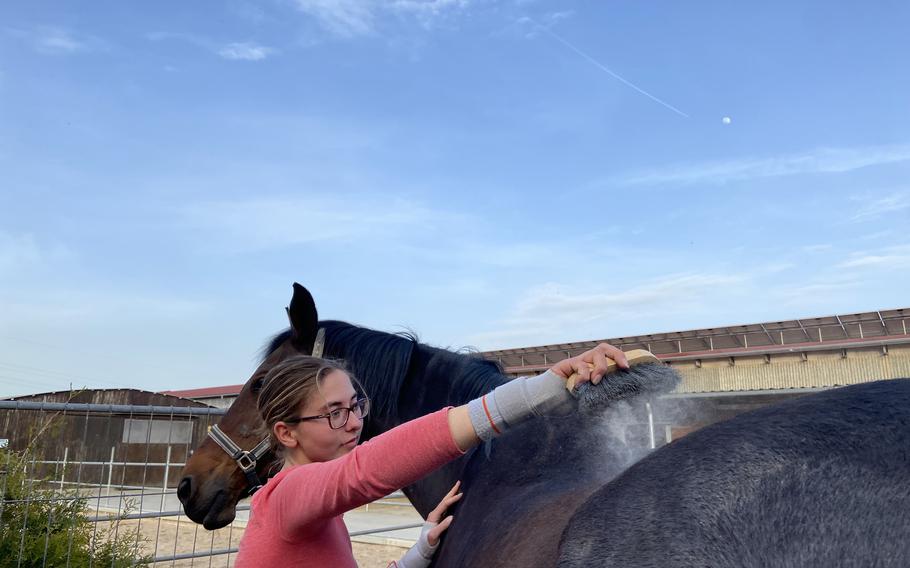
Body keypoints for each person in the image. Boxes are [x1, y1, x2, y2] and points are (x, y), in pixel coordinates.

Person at [234, 343, 629, 567]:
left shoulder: (317, 511)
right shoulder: (284, 498)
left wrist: (417, 555)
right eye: (334, 413)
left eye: (356, 405)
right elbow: (365, 469)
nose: (354, 422)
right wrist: (533, 394)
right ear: (287, 433)